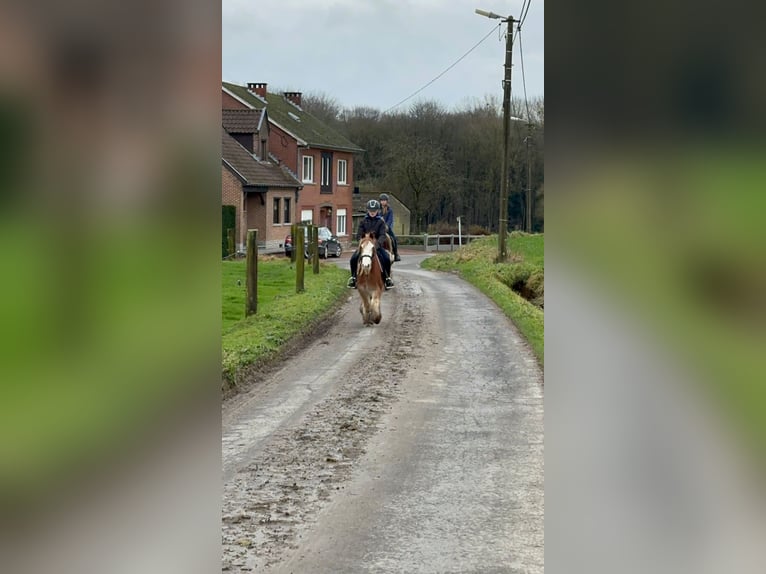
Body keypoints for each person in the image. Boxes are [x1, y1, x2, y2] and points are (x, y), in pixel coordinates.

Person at [348, 199, 394, 289]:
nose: (372, 213)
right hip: (365, 246)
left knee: (386, 259)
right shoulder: (363, 221)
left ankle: (387, 278)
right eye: (370, 211)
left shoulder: (381, 222)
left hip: (376, 246)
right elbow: (359, 235)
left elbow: (382, 235)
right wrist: (362, 243)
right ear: (368, 211)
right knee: (353, 259)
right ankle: (353, 277)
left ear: (377, 211)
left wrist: (376, 245)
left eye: (374, 211)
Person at [378, 193, 401, 262]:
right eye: (382, 200)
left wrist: (387, 226)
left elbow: (390, 220)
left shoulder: (389, 210)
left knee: (393, 239)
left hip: (387, 228)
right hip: (378, 228)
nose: (383, 202)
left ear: (387, 201)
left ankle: (396, 253)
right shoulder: (378, 209)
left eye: (384, 200)